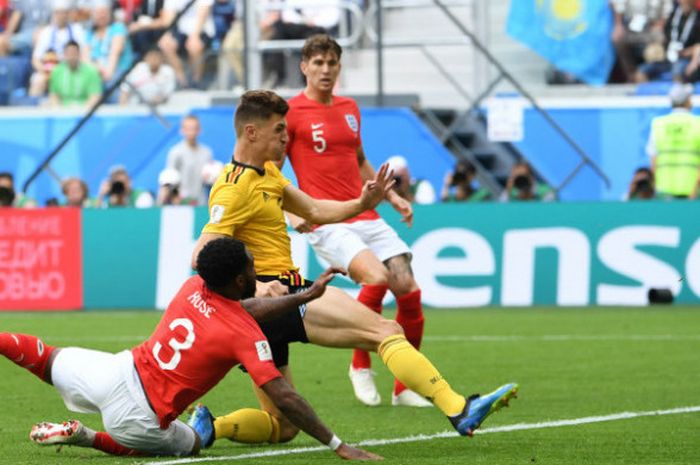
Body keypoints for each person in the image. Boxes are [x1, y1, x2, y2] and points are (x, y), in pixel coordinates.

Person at [188, 89, 518, 448]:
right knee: (385, 329)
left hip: (265, 309)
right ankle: (458, 407)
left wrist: (361, 202)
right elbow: (201, 256)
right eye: (279, 129)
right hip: (278, 294)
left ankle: (211, 426)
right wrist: (259, 288)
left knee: (282, 427)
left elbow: (313, 210)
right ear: (251, 132)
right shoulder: (232, 188)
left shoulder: (266, 173)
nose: (286, 137)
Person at [3, 237, 380, 460]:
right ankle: (84, 435)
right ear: (239, 278)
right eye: (252, 268)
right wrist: (338, 444)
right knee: (193, 444)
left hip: (115, 371)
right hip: (139, 417)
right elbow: (284, 396)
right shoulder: (245, 336)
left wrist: (308, 295)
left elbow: (238, 308)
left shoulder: (191, 286)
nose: (256, 272)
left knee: (44, 357)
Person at [281, 34, 433, 409]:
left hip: (363, 210)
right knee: (376, 277)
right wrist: (291, 211)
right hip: (326, 218)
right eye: (318, 63)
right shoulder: (291, 113)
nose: (325, 70)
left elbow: (359, 159)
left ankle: (404, 386)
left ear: (339, 67)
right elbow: (271, 169)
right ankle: (360, 364)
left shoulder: (350, 107)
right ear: (304, 67)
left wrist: (392, 195)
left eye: (332, 63)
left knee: (408, 289)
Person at [646, 83, 700, 198]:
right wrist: (695, 190)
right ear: (688, 101)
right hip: (692, 189)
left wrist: (654, 186)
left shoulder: (658, 124)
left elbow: (653, 160)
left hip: (664, 189)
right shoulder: (697, 124)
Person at [29, 0, 87, 97]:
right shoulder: (46, 32)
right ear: (54, 14)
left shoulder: (78, 30)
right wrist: (46, 72)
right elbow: (35, 59)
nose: (62, 16)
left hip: (73, 69)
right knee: (38, 81)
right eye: (58, 13)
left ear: (68, 14)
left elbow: (84, 53)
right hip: (49, 71)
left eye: (64, 13)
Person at [635, 0, 700, 83]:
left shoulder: (697, 18)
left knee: (677, 72)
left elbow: (698, 46)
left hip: (684, 58)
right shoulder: (673, 16)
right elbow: (665, 36)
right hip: (667, 58)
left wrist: (686, 53)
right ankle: (647, 94)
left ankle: (678, 94)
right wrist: (657, 47)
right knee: (641, 71)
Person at [610, 0, 672, 83]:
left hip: (653, 27)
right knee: (618, 39)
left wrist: (660, 24)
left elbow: (668, 10)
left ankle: (648, 75)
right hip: (631, 27)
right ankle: (631, 75)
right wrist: (618, 25)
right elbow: (619, 7)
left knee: (660, 38)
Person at [84, 0, 134, 89]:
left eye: (104, 12)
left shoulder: (118, 28)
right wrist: (96, 69)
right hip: (95, 75)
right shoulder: (90, 33)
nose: (101, 16)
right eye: (98, 13)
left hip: (117, 74)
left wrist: (106, 73)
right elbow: (85, 58)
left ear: (109, 14)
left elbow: (114, 54)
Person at [165, 114, 214, 205]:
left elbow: (210, 180)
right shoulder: (175, 152)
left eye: (194, 128)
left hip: (201, 202)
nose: (191, 132)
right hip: (182, 203)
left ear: (199, 130)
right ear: (182, 130)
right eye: (188, 128)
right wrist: (175, 198)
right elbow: (170, 179)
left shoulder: (207, 153)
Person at [48, 40, 103, 106]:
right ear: (64, 55)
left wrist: (83, 111)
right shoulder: (57, 71)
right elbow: (54, 96)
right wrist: (59, 110)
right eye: (69, 54)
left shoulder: (91, 72)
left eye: (74, 53)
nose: (71, 57)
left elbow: (95, 96)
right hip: (62, 112)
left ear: (79, 54)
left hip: (85, 111)